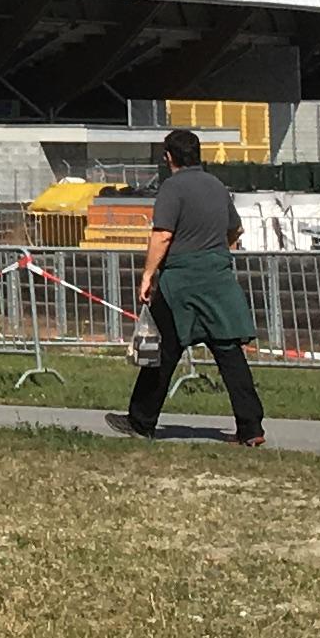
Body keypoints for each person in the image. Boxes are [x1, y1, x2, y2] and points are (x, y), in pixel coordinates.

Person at [107, 129, 264, 445]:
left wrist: (147, 275)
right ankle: (251, 428)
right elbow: (235, 230)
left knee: (162, 351)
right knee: (229, 353)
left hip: (180, 283)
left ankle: (141, 420)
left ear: (168, 157)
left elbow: (163, 235)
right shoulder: (217, 185)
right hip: (218, 280)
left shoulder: (172, 187)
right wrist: (214, 254)